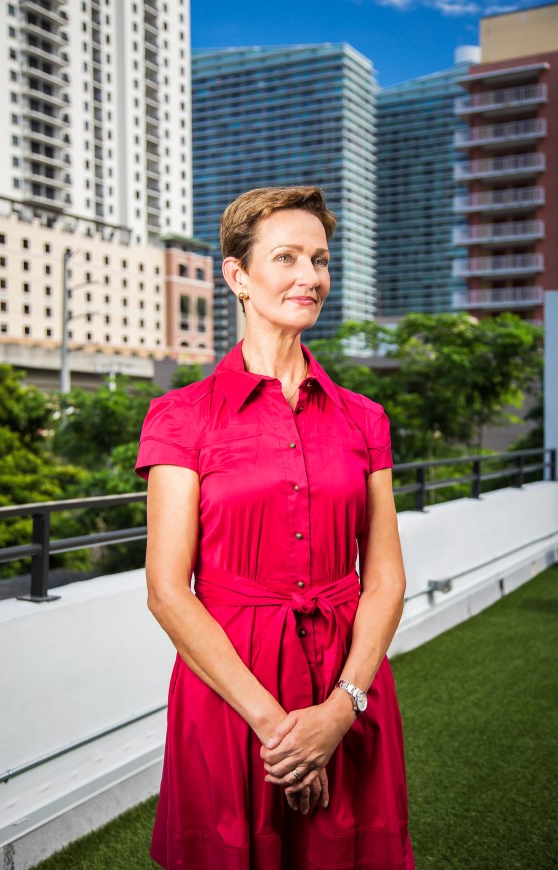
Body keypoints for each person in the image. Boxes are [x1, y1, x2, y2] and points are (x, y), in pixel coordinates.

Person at [134, 185, 415, 869]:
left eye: (319, 260)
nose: (309, 276)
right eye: (286, 257)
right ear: (237, 275)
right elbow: (167, 592)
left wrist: (339, 712)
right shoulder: (181, 417)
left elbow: (384, 580)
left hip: (346, 686)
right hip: (231, 694)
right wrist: (281, 733)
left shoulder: (365, 419)